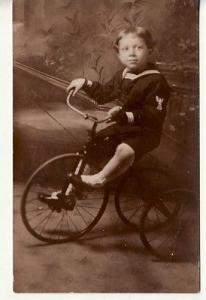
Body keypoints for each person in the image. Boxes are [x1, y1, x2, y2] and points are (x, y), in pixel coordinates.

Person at [67, 26, 171, 189]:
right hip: (124, 128)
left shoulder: (156, 81)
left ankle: (98, 180)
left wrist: (125, 115)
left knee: (125, 149)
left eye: (139, 47)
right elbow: (103, 95)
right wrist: (85, 83)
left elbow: (153, 114)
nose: (132, 53)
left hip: (145, 132)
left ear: (150, 50)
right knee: (94, 143)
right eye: (125, 49)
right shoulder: (122, 75)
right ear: (119, 54)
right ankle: (70, 191)